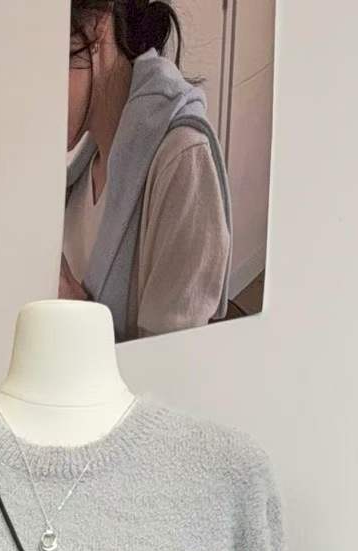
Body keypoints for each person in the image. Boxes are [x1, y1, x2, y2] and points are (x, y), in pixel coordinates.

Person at [62, 0, 232, 339]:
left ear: (96, 24)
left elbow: (172, 364)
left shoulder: (181, 161)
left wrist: (74, 312)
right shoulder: (84, 163)